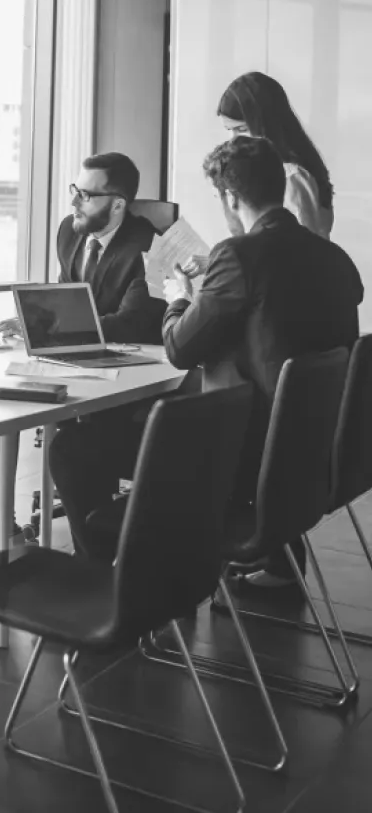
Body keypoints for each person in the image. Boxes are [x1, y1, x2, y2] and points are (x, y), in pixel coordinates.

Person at [51, 137, 362, 579]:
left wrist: (179, 298)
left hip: (241, 454)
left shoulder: (238, 256)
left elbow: (179, 349)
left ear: (231, 198)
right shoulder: (332, 256)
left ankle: (103, 580)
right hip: (313, 452)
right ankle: (274, 563)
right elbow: (283, 329)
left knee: (74, 447)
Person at [0, 152, 166, 562]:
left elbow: (133, 321)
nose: (74, 202)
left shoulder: (149, 247)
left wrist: (56, 329)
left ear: (118, 203)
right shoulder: (69, 233)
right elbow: (65, 297)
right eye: (75, 190)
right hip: (70, 354)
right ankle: (1, 523)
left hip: (126, 366)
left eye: (86, 195)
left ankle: (95, 551)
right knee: (2, 396)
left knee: (79, 446)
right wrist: (33, 321)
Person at [215, 71, 334, 239]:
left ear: (266, 125)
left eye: (242, 129)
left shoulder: (292, 178)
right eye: (229, 130)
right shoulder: (264, 171)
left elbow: (301, 256)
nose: (233, 141)